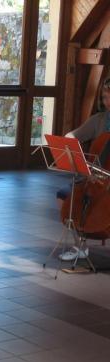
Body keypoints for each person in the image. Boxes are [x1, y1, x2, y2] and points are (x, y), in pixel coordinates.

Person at [56, 77, 110, 261]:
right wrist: (69, 142)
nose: (107, 101)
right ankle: (80, 245)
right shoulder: (99, 120)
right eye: (104, 97)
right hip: (93, 179)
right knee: (64, 195)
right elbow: (72, 135)